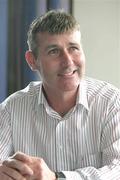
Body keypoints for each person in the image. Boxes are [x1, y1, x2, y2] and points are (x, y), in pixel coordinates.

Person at [0, 9, 120, 180]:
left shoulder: (111, 102)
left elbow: (117, 170)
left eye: (73, 48)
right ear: (32, 61)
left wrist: (57, 178)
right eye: (53, 51)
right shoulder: (11, 109)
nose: (68, 61)